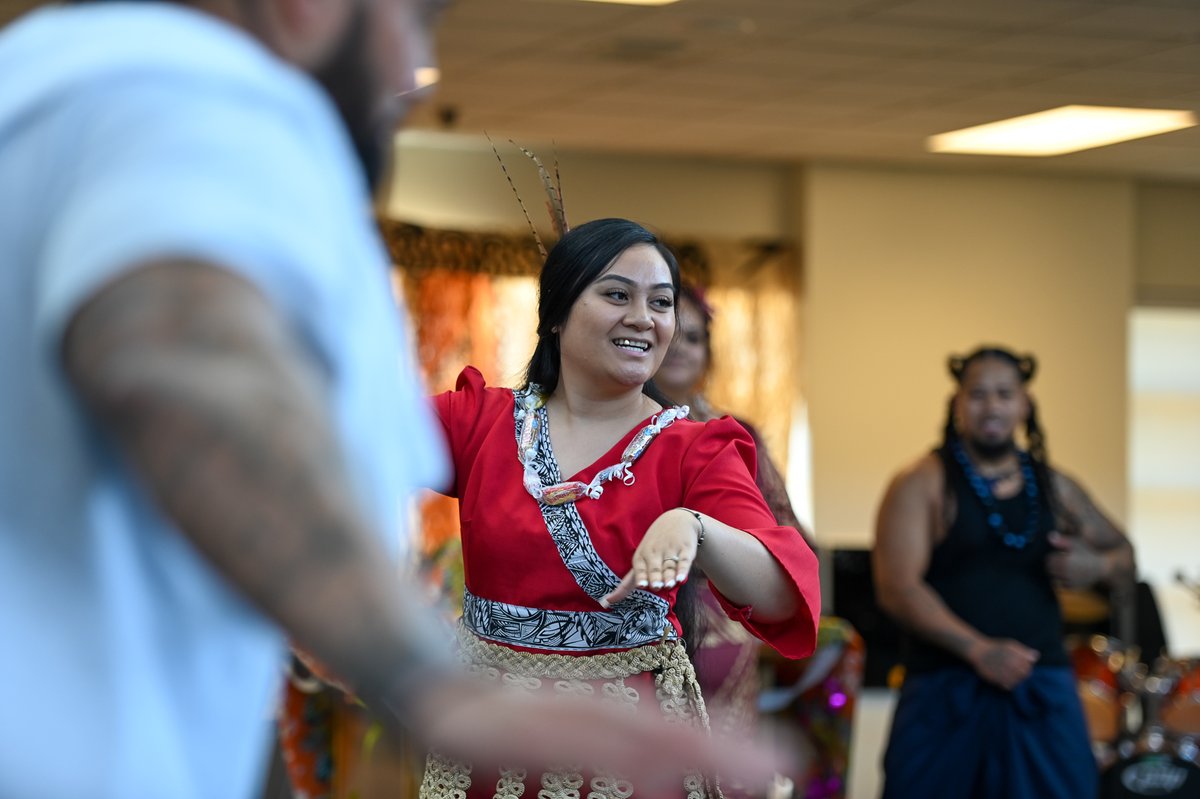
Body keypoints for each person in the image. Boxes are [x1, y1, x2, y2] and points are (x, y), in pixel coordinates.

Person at [0, 1, 784, 797]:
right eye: (416, 22)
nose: (415, 76)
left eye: (661, 304)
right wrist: (423, 676)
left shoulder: (43, 85)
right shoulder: (197, 99)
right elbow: (183, 359)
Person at [428, 217, 822, 799]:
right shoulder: (479, 422)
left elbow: (784, 590)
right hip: (494, 743)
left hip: (627, 753)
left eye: (660, 303)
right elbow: (339, 448)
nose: (644, 318)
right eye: (617, 295)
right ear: (557, 314)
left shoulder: (693, 449)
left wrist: (694, 527)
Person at [873, 345, 1136, 799]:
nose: (991, 406)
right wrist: (978, 650)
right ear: (957, 404)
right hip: (944, 690)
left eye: (1004, 393)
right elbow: (897, 588)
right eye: (977, 394)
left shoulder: (1055, 486)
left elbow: (1125, 556)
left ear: (1025, 404)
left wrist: (1095, 565)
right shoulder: (922, 482)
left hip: (1040, 685)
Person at [655, 285, 863, 799]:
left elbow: (789, 540)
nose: (681, 346)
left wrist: (728, 550)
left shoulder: (731, 434)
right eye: (672, 332)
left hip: (716, 612)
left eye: (696, 337)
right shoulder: (605, 425)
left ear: (709, 354)